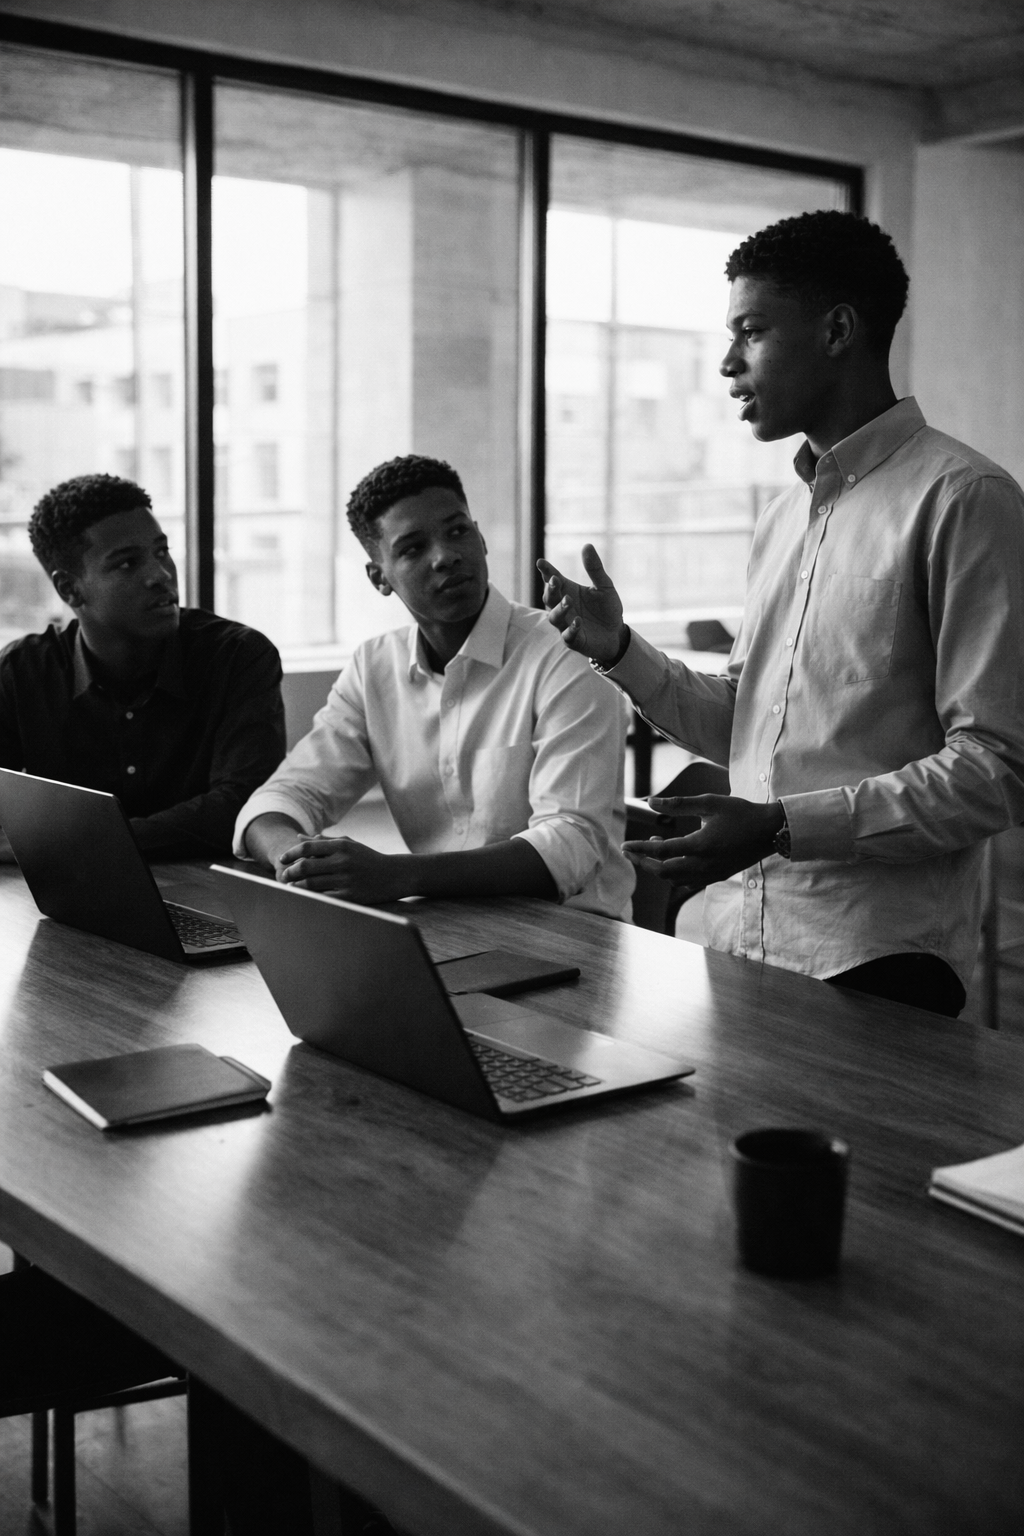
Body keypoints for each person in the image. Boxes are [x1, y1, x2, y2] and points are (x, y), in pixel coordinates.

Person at [539, 209, 1024, 1017]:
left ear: (838, 330)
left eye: (751, 332)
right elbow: (750, 725)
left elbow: (998, 770)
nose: (728, 364)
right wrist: (621, 651)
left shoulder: (965, 500)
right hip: (730, 945)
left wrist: (780, 826)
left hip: (873, 960)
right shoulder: (781, 517)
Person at [237, 454, 633, 919]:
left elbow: (570, 845)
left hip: (576, 937)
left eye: (458, 531)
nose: (445, 556)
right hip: (444, 925)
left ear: (481, 538)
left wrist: (397, 875)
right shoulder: (374, 668)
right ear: (378, 576)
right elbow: (281, 799)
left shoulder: (566, 651)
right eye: (412, 548)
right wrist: (297, 860)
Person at [0, 473, 285, 861]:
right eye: (127, 564)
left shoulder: (238, 657)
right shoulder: (22, 673)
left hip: (214, 898)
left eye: (161, 551)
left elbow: (241, 805)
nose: (161, 574)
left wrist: (74, 843)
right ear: (69, 589)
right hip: (70, 898)